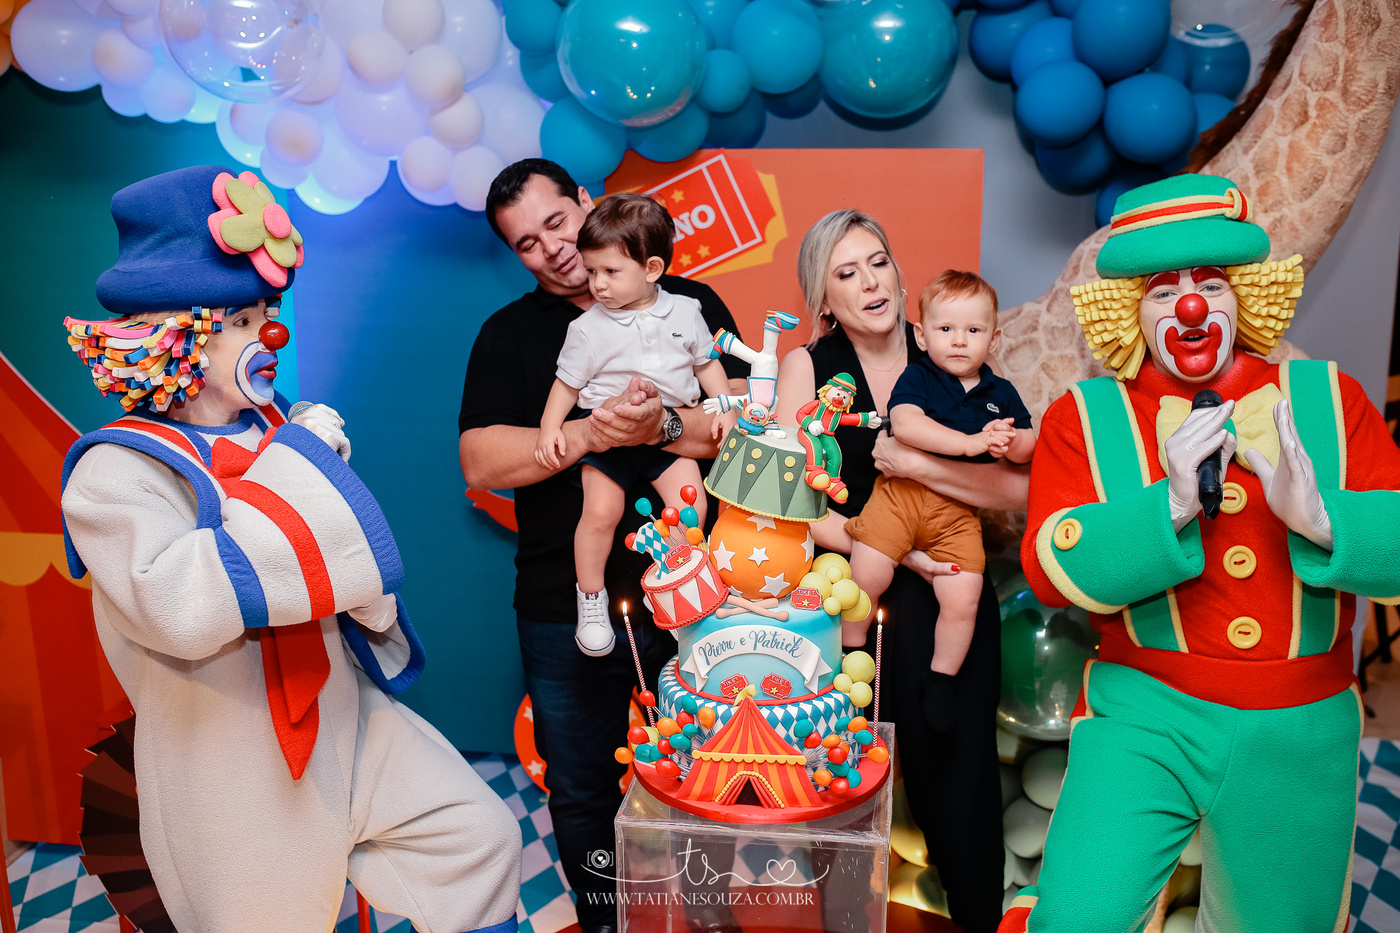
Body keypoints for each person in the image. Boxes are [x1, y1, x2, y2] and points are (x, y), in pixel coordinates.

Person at [59, 165, 521, 933]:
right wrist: (297, 468)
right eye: (241, 319)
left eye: (269, 310)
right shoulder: (114, 473)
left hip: (346, 719)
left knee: (477, 839)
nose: (270, 332)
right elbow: (181, 606)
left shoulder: (277, 428)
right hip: (232, 763)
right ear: (176, 337)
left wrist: (354, 567)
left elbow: (341, 566)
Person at [1000, 174, 1400, 933]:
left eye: (1211, 284)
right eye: (1163, 292)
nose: (1190, 306)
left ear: (1241, 297)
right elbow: (1051, 571)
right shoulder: (1084, 417)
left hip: (1301, 725)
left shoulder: (1330, 398)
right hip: (1145, 710)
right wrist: (1170, 507)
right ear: (1133, 311)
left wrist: (1324, 520)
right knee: (1077, 918)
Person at [458, 159, 747, 933]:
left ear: (587, 204)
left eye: (557, 222)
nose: (551, 248)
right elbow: (480, 461)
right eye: (526, 243)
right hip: (564, 604)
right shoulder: (510, 335)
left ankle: (710, 919)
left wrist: (657, 426)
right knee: (582, 788)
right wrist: (588, 434)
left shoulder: (688, 303)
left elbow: (738, 429)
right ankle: (603, 922)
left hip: (693, 594)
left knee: (711, 771)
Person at [774, 210, 1028, 933]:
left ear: (898, 270)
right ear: (824, 297)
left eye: (878, 261)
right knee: (842, 788)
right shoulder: (807, 367)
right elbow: (787, 499)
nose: (870, 282)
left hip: (952, 592)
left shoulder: (949, 343)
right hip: (851, 598)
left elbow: (1017, 489)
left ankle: (977, 920)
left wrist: (917, 465)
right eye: (847, 272)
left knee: (963, 785)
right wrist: (889, 545)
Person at [536, 193, 736, 656]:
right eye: (591, 271)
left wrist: (725, 408)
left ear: (651, 268)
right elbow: (566, 385)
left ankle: (673, 581)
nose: (598, 284)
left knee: (692, 506)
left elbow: (707, 365)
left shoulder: (686, 311)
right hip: (608, 437)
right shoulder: (586, 328)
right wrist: (550, 427)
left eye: (610, 271)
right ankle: (591, 598)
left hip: (669, 438)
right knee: (600, 514)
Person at [844, 271, 1034, 729]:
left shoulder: (1000, 393)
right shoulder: (919, 377)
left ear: (993, 339)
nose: (959, 341)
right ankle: (849, 652)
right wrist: (970, 444)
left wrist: (1011, 441)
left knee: (964, 594)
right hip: (900, 498)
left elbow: (1029, 446)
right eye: (946, 329)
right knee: (867, 574)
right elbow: (906, 425)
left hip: (957, 513)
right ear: (922, 336)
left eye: (974, 330)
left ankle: (942, 681)